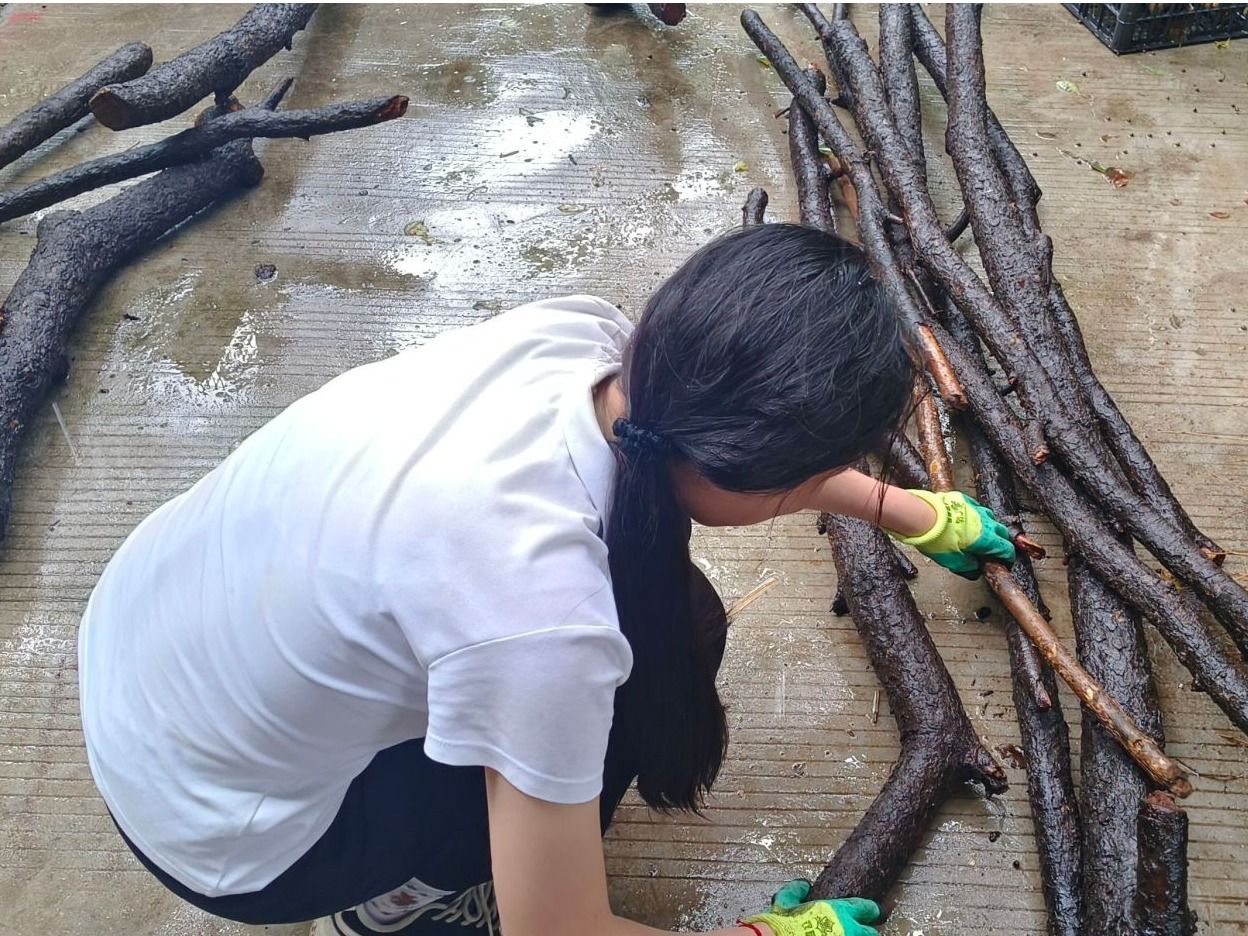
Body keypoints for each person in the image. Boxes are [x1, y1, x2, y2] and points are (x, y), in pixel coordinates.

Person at [77, 223, 1015, 936]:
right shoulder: (543, 626)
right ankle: (404, 905)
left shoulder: (583, 341)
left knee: (663, 621)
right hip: (228, 836)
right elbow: (558, 932)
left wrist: (914, 512)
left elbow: (720, 446)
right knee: (655, 655)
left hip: (148, 655)